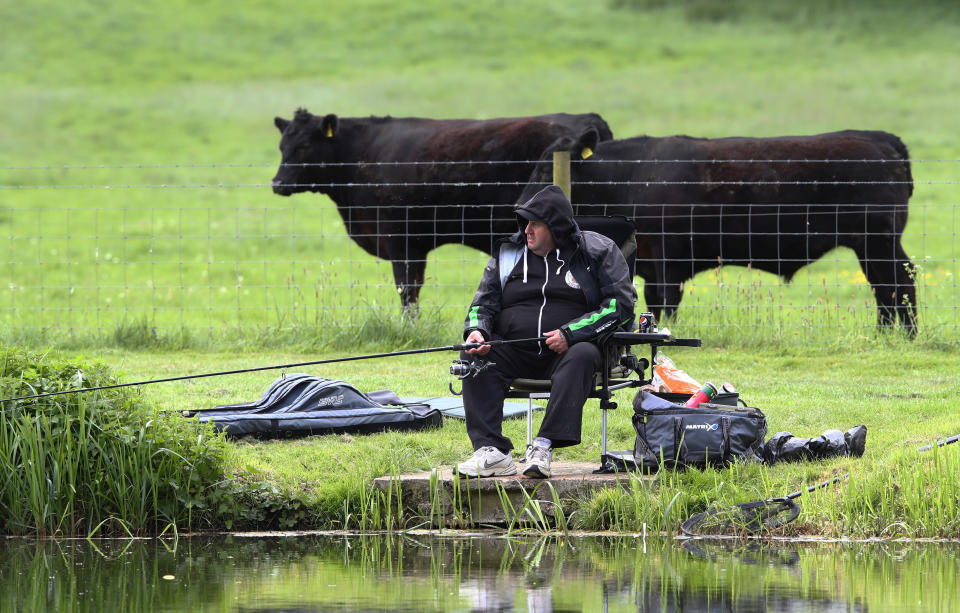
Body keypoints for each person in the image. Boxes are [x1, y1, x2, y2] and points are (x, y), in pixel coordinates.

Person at [455, 185, 637, 479]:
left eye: (535, 223)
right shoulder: (508, 254)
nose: (527, 230)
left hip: (568, 353)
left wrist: (571, 333)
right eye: (525, 223)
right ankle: (491, 451)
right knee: (472, 354)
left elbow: (620, 307)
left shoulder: (599, 250)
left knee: (582, 354)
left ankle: (543, 445)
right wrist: (476, 331)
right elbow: (482, 305)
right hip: (514, 351)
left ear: (555, 226)